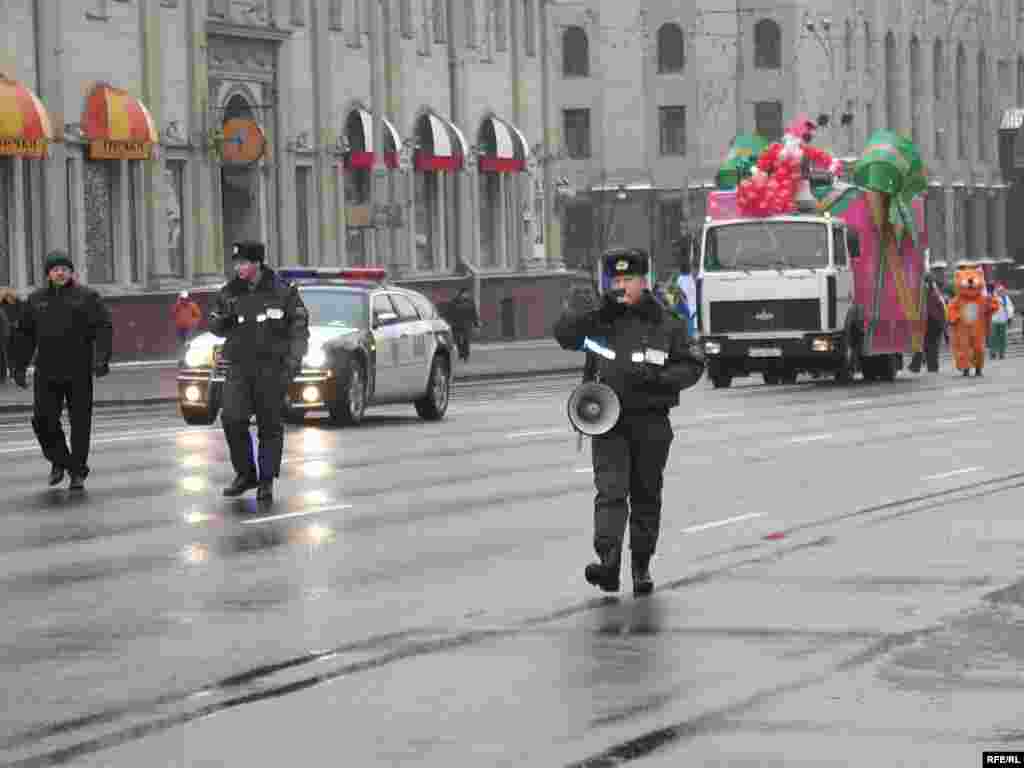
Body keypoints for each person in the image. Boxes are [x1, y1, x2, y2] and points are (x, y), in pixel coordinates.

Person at [554, 248, 705, 596]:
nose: (622, 286)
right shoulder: (601, 320)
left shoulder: (666, 322)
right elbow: (564, 335)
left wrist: (660, 379)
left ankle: (641, 566)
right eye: (616, 280)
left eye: (628, 280)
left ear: (644, 281)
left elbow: (693, 364)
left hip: (651, 420)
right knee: (610, 491)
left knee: (646, 494)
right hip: (608, 420)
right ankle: (608, 562)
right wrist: (592, 310)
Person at [210, 241, 309, 501]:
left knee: (269, 426)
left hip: (271, 368)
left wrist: (293, 363)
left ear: (257, 263)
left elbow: (299, 329)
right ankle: (245, 473)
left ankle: (266, 481)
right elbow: (215, 324)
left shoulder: (283, 291)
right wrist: (222, 320)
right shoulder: (229, 291)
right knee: (232, 419)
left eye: (243, 262)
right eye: (236, 263)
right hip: (239, 367)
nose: (238, 267)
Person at [11, 251, 113, 490]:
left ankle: (77, 471)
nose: (60, 272)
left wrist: (101, 359)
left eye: (64, 269)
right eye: (55, 268)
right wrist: (18, 366)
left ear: (71, 272)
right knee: (42, 421)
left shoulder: (87, 297)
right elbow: (24, 335)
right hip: (47, 371)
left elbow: (103, 327)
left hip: (78, 370)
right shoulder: (36, 300)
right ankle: (59, 460)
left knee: (80, 424)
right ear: (48, 273)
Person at [909, 274, 947, 373]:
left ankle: (918, 366)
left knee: (923, 345)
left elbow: (941, 310)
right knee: (930, 346)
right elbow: (942, 310)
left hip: (930, 322)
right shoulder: (935, 293)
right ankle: (929, 366)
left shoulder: (926, 294)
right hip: (932, 322)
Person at [445, 288, 481, 362]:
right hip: (456, 325)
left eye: (467, 294)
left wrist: (476, 324)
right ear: (460, 294)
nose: (466, 295)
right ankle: (461, 353)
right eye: (464, 294)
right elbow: (449, 313)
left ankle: (466, 356)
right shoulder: (454, 302)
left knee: (466, 340)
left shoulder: (470, 302)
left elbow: (473, 314)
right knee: (458, 341)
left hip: (467, 325)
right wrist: (449, 322)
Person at [989, 282, 1014, 360]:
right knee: (993, 338)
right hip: (994, 320)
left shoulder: (1006, 298)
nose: (1001, 292)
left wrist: (1009, 317)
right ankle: (993, 353)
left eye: (1002, 290)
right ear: (997, 290)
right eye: (1000, 290)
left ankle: (1001, 354)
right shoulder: (992, 297)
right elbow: (988, 307)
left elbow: (1010, 308)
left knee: (1003, 338)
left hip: (1003, 320)